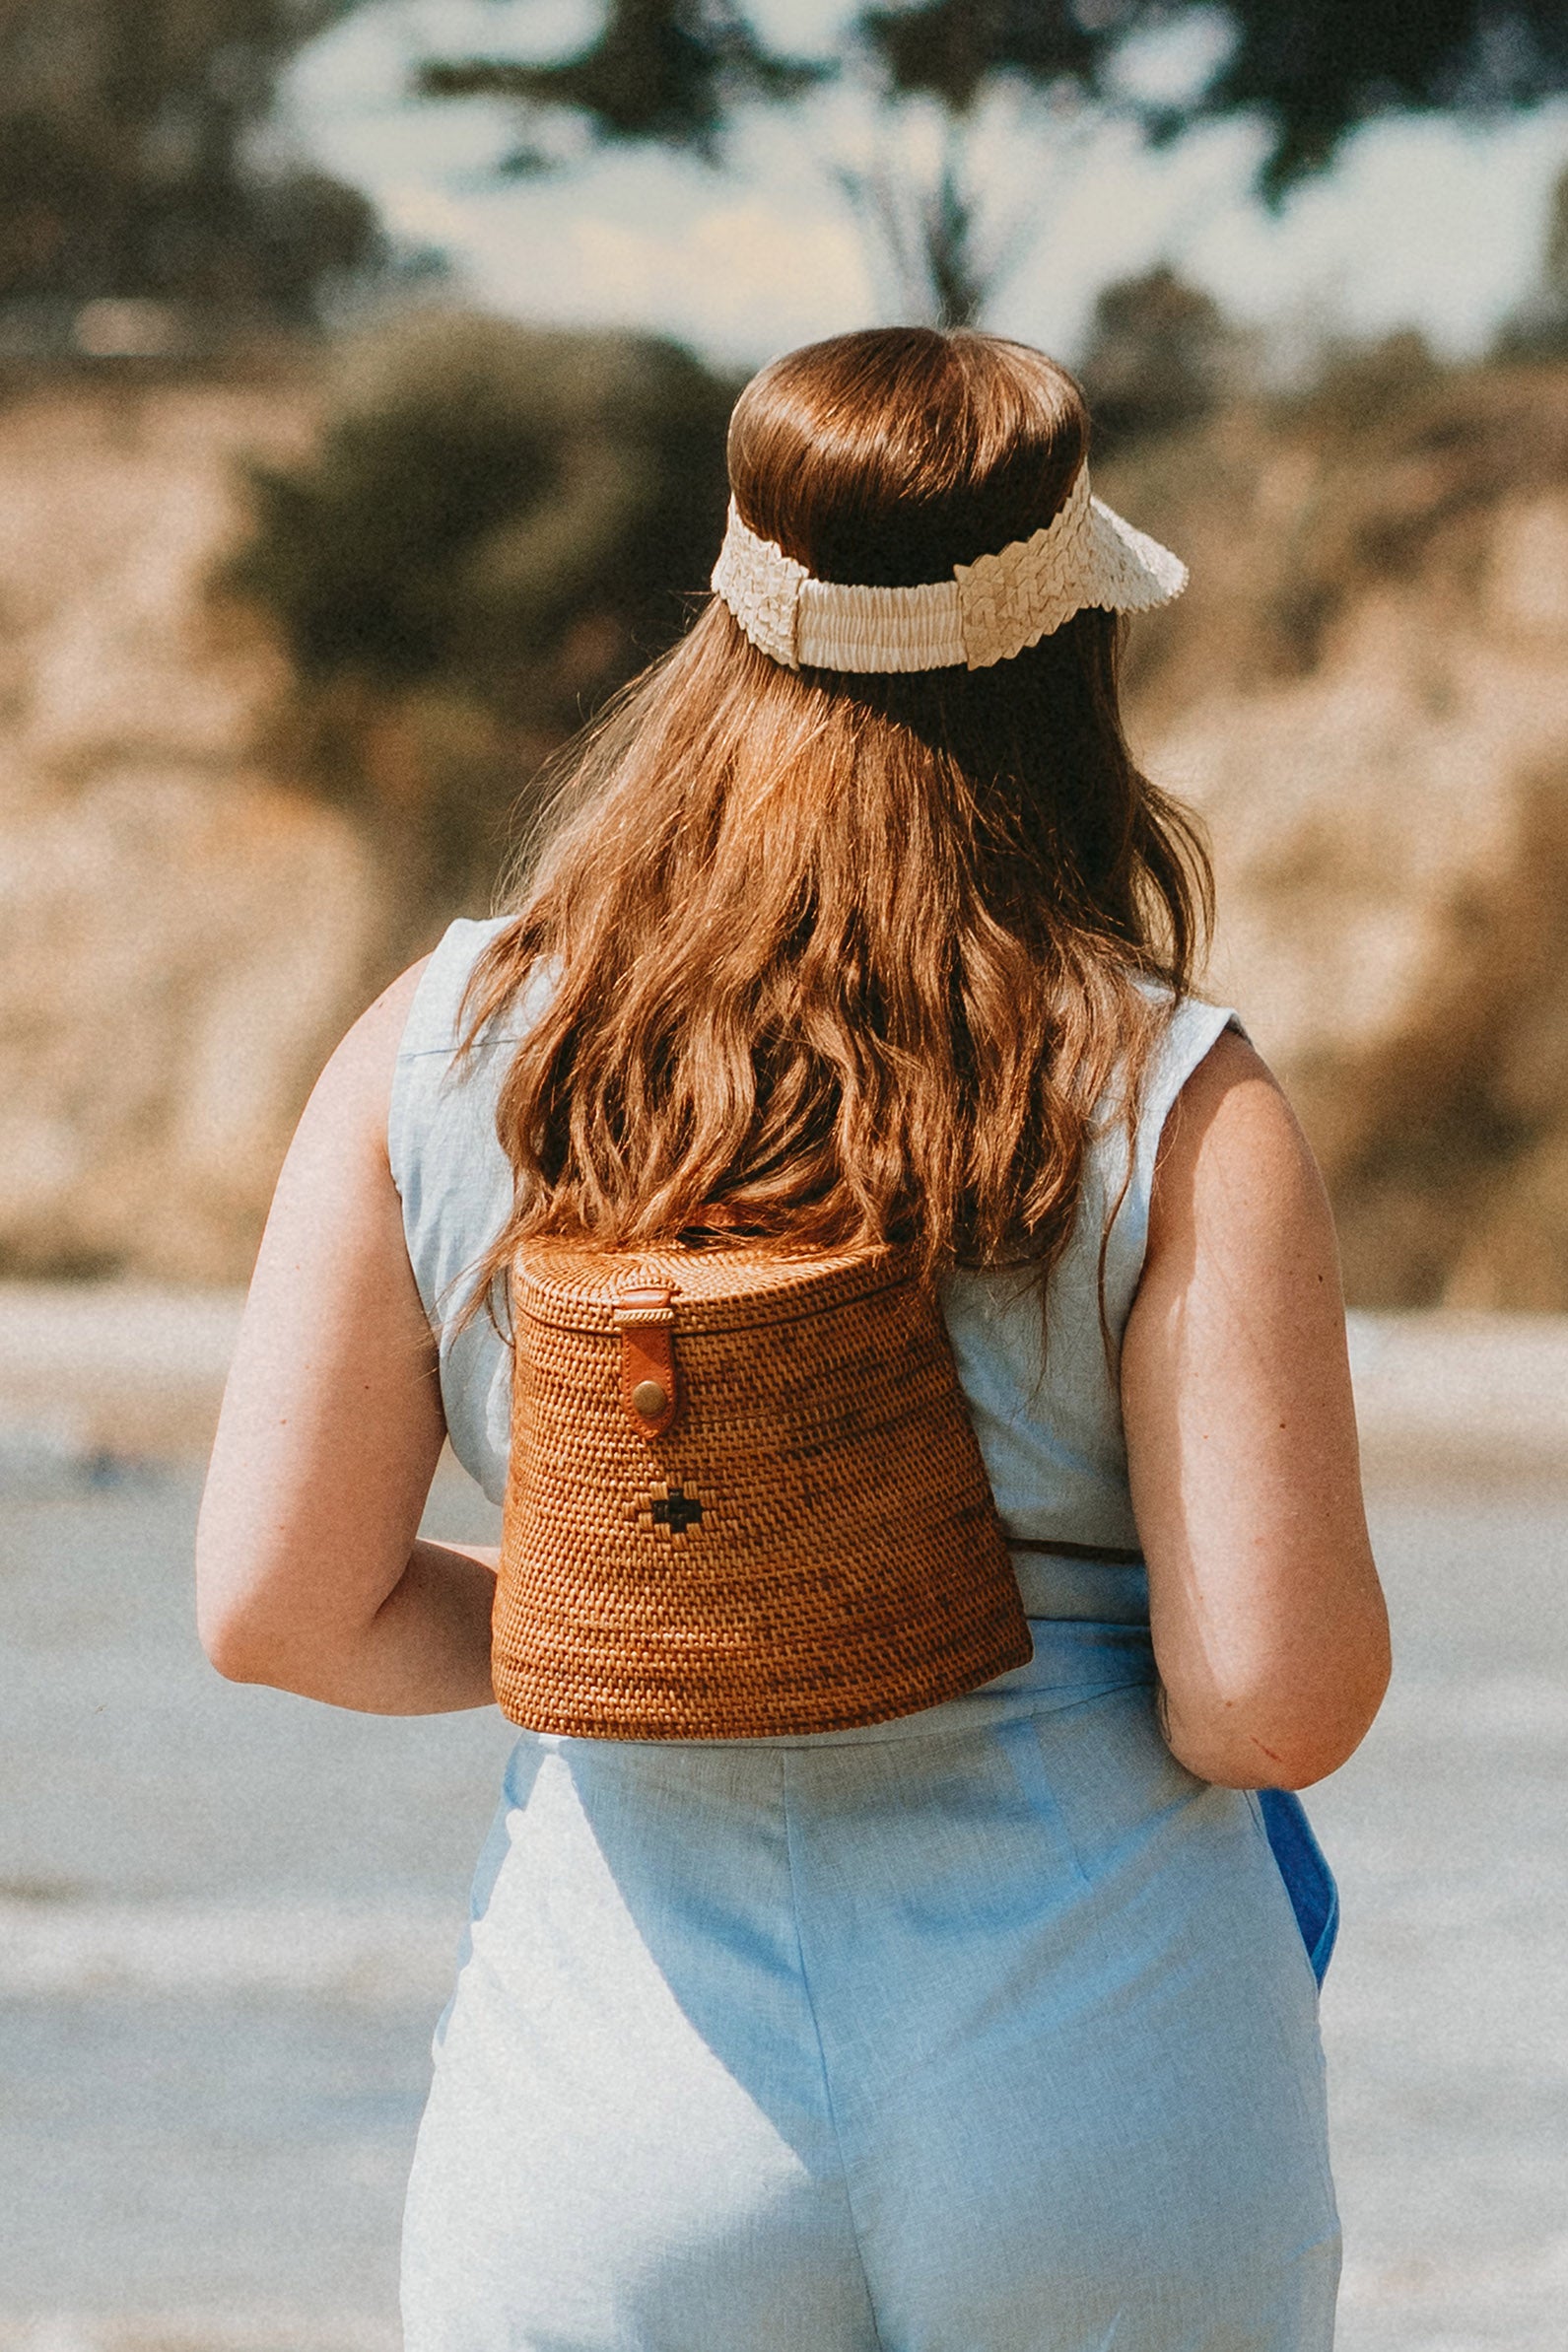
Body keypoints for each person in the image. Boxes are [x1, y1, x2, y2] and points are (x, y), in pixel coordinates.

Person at [195, 325, 1391, 2352]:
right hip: (1094, 2067)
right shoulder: (1168, 1090)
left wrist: (683, 1603)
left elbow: (281, 1605)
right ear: (1063, 652)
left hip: (608, 2082)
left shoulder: (443, 1043)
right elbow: (1268, 1702)